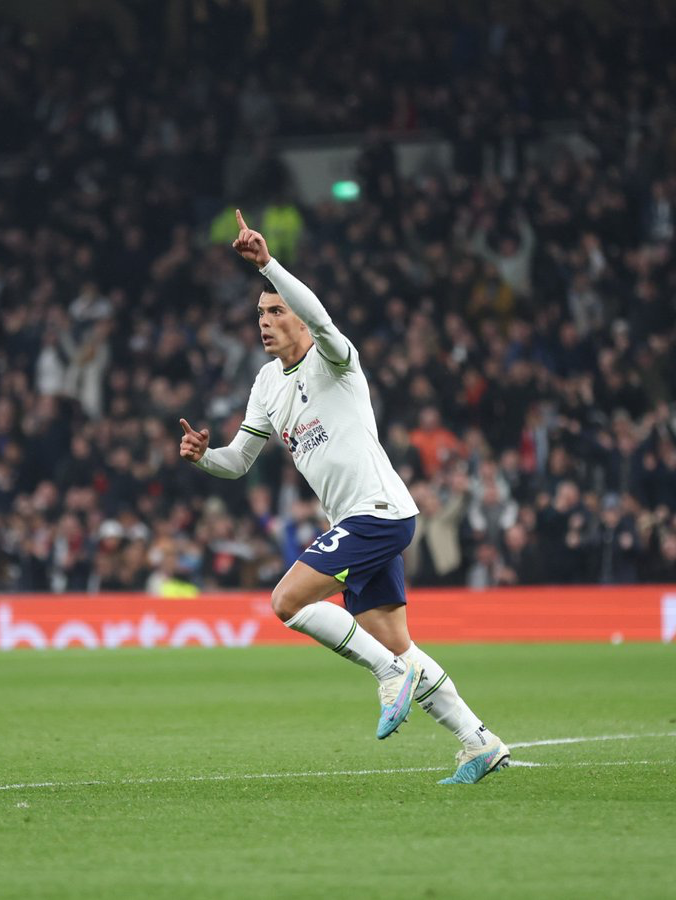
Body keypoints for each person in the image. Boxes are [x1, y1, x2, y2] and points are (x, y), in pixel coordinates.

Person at [178, 210, 509, 784]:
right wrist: (204, 456)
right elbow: (238, 462)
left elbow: (321, 315)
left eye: (277, 309)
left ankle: (388, 676)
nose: (266, 320)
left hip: (377, 513)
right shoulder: (265, 384)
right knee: (399, 644)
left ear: (300, 318)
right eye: (260, 312)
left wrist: (270, 265)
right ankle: (478, 741)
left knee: (286, 602)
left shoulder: (336, 360)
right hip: (361, 523)